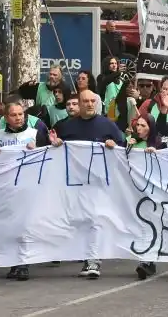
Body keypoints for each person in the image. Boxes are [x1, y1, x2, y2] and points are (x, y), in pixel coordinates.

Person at [52, 89, 126, 279]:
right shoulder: (67, 126)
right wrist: (56, 143)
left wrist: (113, 144)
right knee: (79, 220)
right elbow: (53, 145)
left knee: (95, 219)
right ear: (79, 103)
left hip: (99, 182)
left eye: (93, 100)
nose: (90, 104)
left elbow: (123, 145)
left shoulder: (106, 124)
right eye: (86, 101)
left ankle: (94, 260)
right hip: (74, 183)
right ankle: (85, 257)